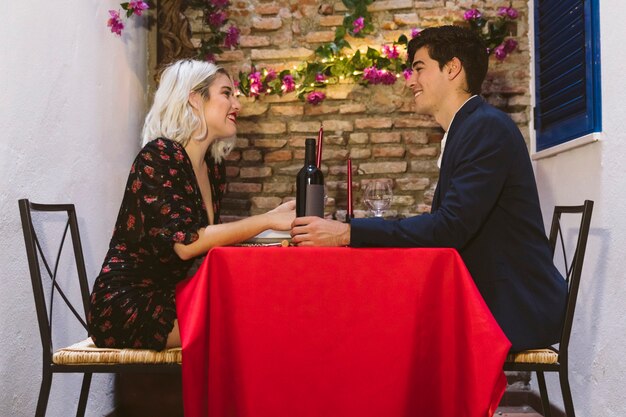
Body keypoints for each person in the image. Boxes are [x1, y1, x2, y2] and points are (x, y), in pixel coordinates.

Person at [291, 26, 567, 352]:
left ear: (452, 68)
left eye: (419, 68)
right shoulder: (469, 127)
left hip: (513, 307)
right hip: (488, 295)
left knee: (377, 325)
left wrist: (345, 233)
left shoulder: (485, 128)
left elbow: (449, 228)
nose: (410, 82)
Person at [88, 59, 295, 351]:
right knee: (249, 325)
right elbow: (188, 243)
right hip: (128, 305)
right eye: (227, 93)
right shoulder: (159, 156)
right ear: (195, 99)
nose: (237, 105)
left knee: (264, 308)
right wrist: (269, 221)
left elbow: (209, 242)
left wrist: (275, 228)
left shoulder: (211, 168)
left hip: (171, 296)